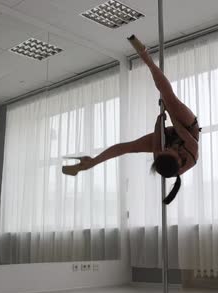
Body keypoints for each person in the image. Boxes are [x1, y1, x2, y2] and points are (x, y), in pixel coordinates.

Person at [62, 35, 200, 204]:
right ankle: (146, 57)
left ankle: (91, 162)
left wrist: (159, 121)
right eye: (168, 150)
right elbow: (179, 128)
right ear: (179, 159)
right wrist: (167, 108)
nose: (165, 149)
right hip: (187, 128)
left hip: (169, 135)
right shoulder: (192, 153)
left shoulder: (160, 158)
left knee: (129, 147)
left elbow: (158, 139)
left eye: (164, 151)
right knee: (170, 98)